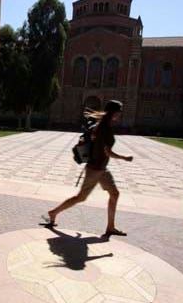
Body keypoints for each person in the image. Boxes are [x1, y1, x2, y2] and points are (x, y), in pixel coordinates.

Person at [43, 100, 133, 236]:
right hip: (95, 169)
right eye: (119, 111)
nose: (119, 114)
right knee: (81, 197)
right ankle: (53, 212)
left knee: (114, 194)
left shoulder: (100, 125)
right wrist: (124, 158)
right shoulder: (105, 128)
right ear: (114, 112)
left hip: (101, 169)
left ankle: (110, 227)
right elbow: (107, 151)